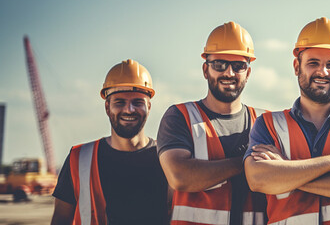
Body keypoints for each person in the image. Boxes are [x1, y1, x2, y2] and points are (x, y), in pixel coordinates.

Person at [244, 17, 330, 225]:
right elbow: (257, 179)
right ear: (296, 67)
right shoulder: (268, 125)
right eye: (313, 63)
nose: (322, 72)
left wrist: (286, 172)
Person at [157, 21, 266, 225]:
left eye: (238, 65)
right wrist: (245, 163)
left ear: (248, 73)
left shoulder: (265, 122)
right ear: (205, 70)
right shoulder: (180, 117)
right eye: (219, 65)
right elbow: (179, 176)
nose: (229, 73)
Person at [51, 59, 169, 224]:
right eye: (120, 102)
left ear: (148, 106)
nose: (129, 109)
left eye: (137, 102)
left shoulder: (167, 158)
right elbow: (61, 220)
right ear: (107, 107)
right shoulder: (79, 159)